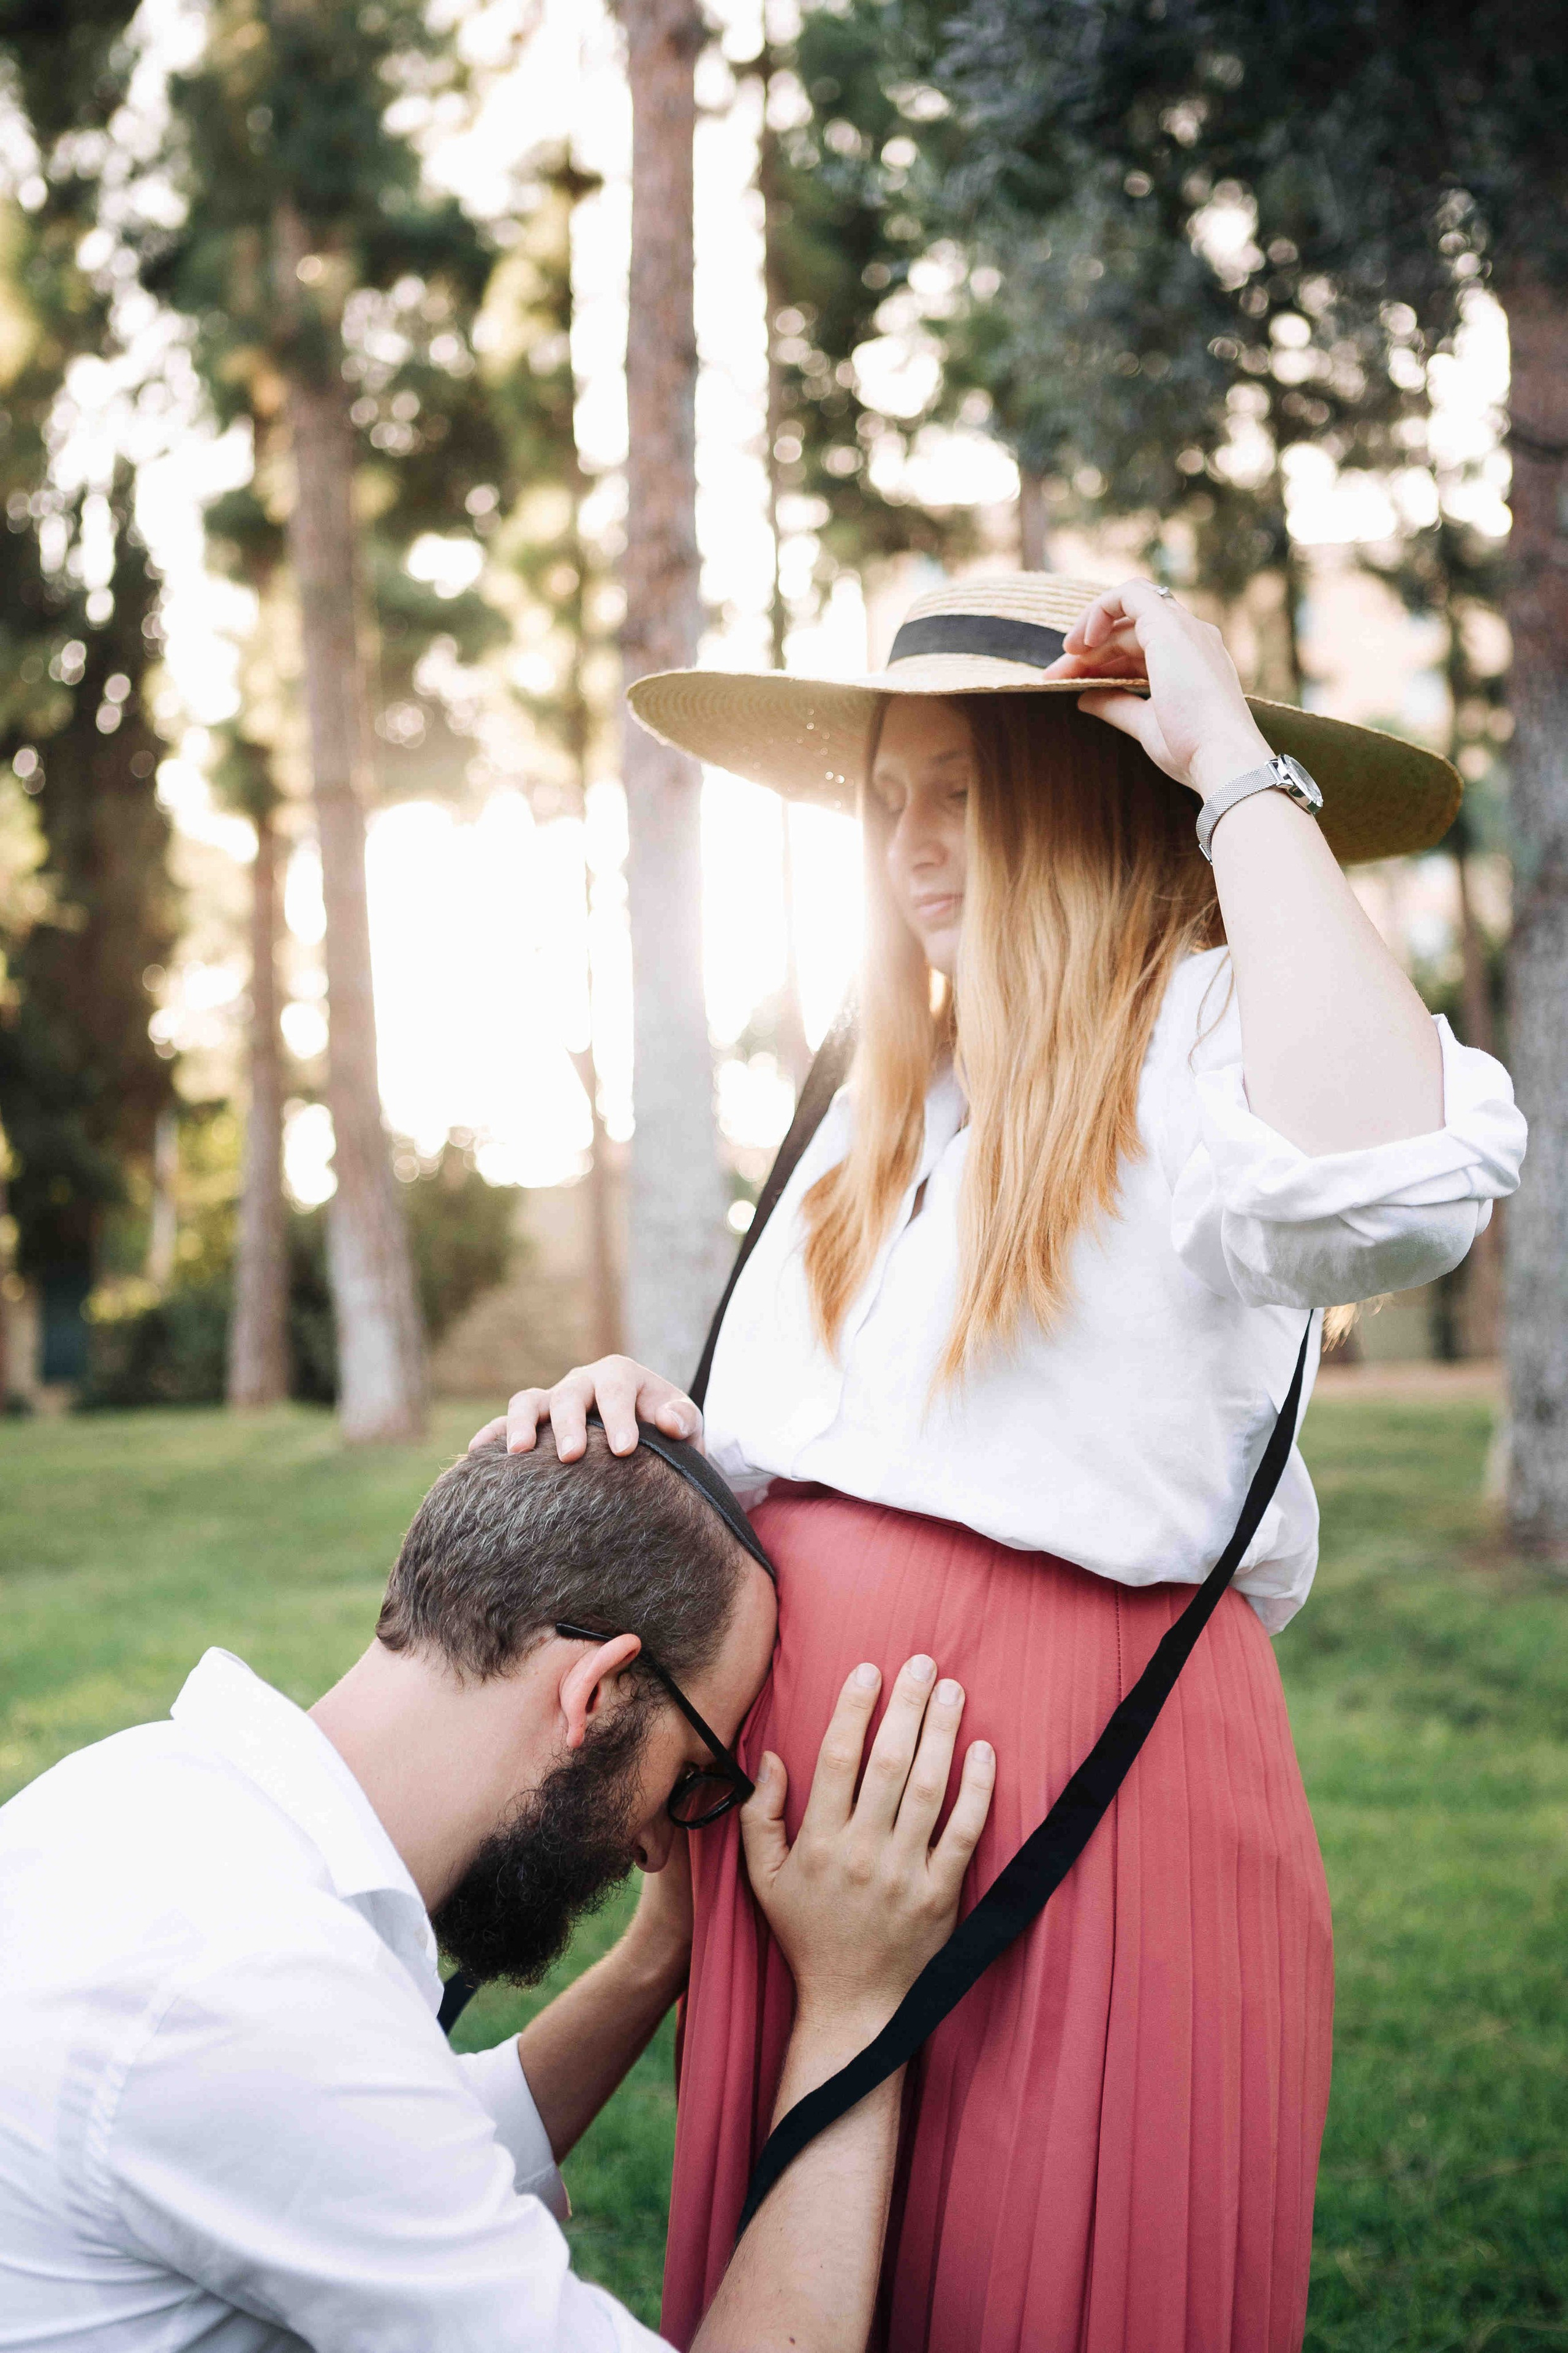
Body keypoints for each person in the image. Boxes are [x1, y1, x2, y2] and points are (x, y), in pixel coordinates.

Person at [474, 575, 1528, 2353]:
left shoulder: (1206, 1050)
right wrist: (645, 1417)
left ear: (1090, 791)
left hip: (1074, 1800)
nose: (910, 840)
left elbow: (1396, 1177)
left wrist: (1234, 767)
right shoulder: (873, 1102)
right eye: (889, 797)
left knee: (1044, 2277)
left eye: (965, 785)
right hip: (805, 1825)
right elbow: (807, 1442)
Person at [0, 1421, 995, 2352]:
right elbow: (327, 2097)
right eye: (691, 1772)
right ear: (595, 1693)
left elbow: (402, 2135)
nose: (659, 1842)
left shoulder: (147, 1801)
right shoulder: (254, 1989)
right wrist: (861, 2008)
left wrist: (658, 1953)